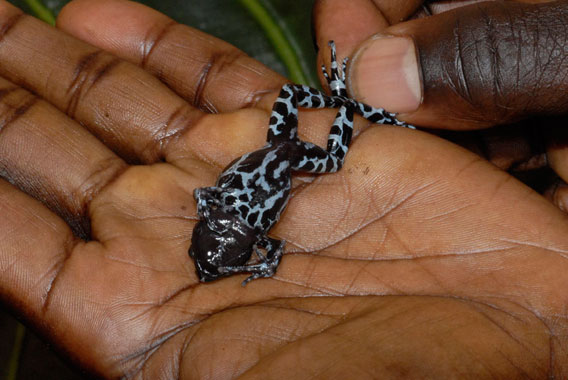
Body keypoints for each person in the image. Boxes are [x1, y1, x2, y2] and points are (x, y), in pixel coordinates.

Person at [0, 0, 565, 377]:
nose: (207, 257)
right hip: (279, 160)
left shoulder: (228, 213)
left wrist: (249, 243)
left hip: (289, 157)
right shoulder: (226, 218)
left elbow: (245, 227)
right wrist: (249, 246)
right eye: (211, 256)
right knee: (296, 107)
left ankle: (350, 103)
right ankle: (351, 103)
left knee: (324, 141)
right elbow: (250, 232)